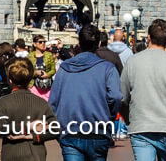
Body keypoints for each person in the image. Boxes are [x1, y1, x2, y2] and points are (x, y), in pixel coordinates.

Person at [120, 19, 166, 161]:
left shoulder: (133, 62)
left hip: (142, 127)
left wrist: (129, 119)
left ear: (148, 38)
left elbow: (123, 97)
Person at [48, 23, 121, 161]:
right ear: (99, 43)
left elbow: (53, 102)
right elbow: (116, 97)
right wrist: (109, 117)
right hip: (98, 130)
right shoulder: (108, 69)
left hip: (70, 131)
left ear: (79, 43)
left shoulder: (64, 68)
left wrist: (58, 128)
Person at [0, 57, 60, 161]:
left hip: (11, 154)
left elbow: (0, 127)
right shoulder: (41, 103)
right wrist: (33, 135)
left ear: (10, 80)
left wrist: (25, 128)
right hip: (36, 155)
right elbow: (55, 129)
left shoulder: (3, 102)